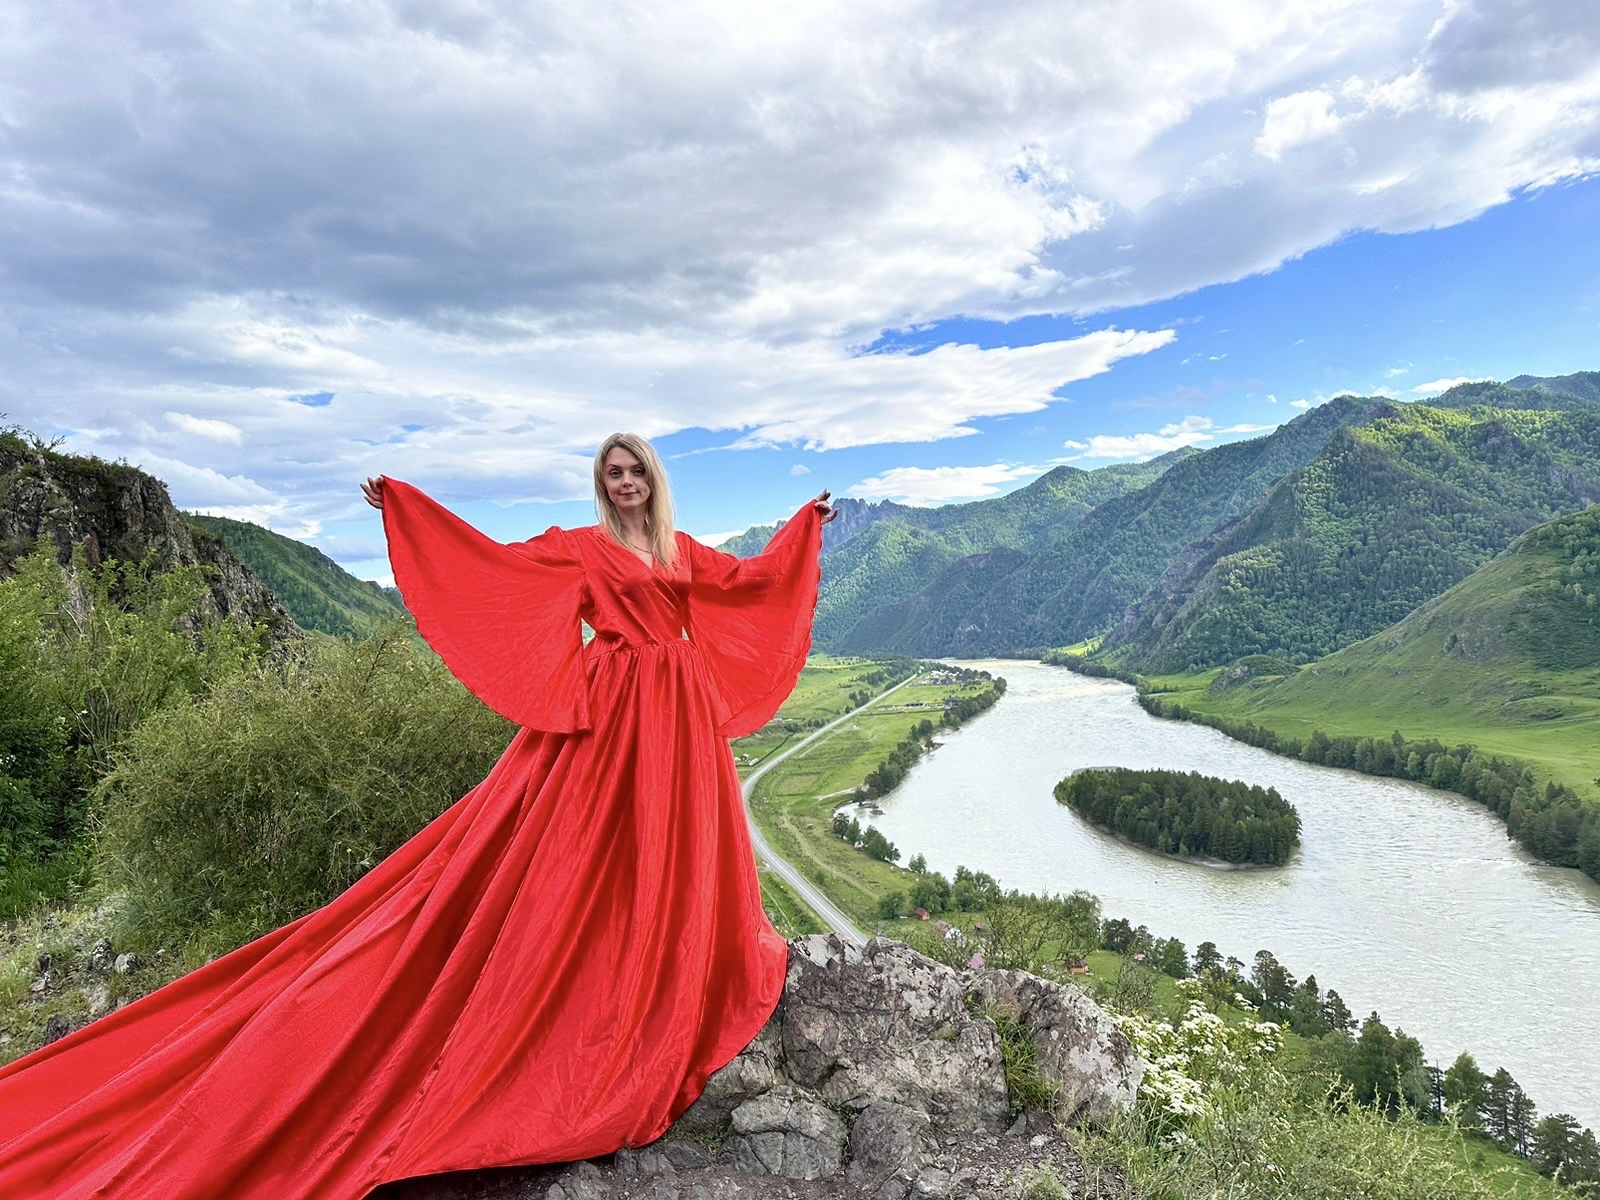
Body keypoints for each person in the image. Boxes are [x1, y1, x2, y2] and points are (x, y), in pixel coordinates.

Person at [0, 432, 835, 1199]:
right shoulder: (579, 549)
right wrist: (409, 510)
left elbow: (751, 581)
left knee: (673, 844)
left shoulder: (680, 550)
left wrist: (803, 528)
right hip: (613, 708)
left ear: (653, 480)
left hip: (679, 715)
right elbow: (492, 564)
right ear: (601, 485)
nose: (623, 484)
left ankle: (671, 953)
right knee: (580, 851)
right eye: (611, 474)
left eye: (634, 472)